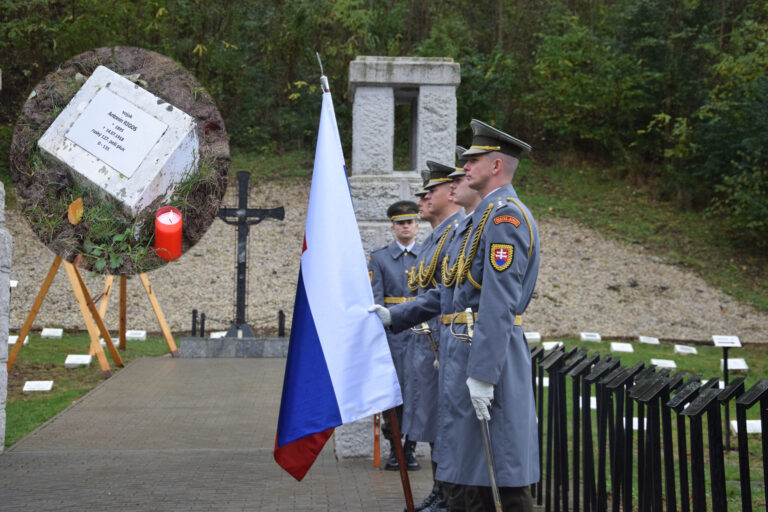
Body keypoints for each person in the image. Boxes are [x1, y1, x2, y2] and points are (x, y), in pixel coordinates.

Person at [371, 120, 540, 511]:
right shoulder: (481, 220)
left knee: (501, 471)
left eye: (473, 159)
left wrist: (483, 374)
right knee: (468, 469)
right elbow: (448, 294)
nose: (464, 166)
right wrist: (394, 316)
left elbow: (498, 305)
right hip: (462, 351)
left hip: (484, 356)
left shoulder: (504, 219)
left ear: (495, 165)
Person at [403, 159, 465, 511]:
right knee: (429, 420)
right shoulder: (436, 238)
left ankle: (447, 494)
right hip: (426, 341)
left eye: (431, 191)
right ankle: (440, 490)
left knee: (444, 424)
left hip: (443, 342)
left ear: (451, 194)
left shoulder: (457, 234)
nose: (423, 199)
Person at [369, 200, 422, 471]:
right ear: (392, 227)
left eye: (410, 221)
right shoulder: (379, 258)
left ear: (417, 225)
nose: (405, 226)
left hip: (422, 334)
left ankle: (411, 448)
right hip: (394, 336)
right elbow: (376, 299)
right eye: (400, 222)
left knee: (419, 393)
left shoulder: (428, 254)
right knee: (396, 393)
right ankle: (395, 449)